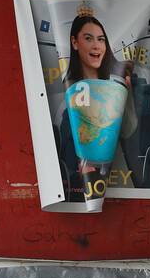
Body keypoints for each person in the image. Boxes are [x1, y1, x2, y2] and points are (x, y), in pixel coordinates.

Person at [56, 13, 138, 200]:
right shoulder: (68, 93)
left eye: (101, 40)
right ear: (75, 43)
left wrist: (128, 95)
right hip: (82, 181)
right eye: (88, 38)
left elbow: (128, 131)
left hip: (116, 177)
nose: (96, 45)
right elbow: (66, 146)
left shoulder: (116, 85)